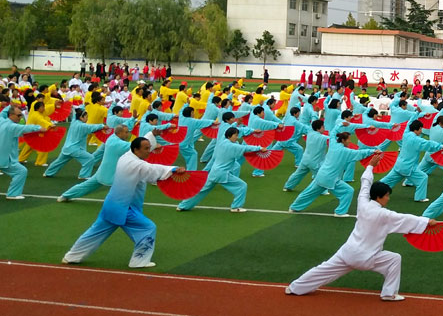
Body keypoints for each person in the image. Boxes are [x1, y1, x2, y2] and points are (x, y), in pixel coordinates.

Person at [286, 153, 437, 301]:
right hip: (367, 258)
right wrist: (426, 221)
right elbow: (405, 219)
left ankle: (295, 287)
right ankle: (388, 294)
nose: (388, 198)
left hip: (348, 252)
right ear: (379, 197)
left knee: (323, 269)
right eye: (387, 195)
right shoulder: (385, 215)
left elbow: (365, 184)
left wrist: (370, 166)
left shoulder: (363, 203)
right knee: (394, 259)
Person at [62, 137, 182, 268]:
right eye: (146, 148)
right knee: (147, 228)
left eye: (149, 148)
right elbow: (152, 169)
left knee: (95, 232)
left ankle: (72, 256)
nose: (149, 151)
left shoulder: (126, 157)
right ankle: (139, 261)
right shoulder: (136, 164)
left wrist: (153, 140)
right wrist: (174, 169)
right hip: (124, 208)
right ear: (136, 150)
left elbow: (146, 163)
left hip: (112, 204)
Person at [177, 126, 264, 213]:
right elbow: (245, 148)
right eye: (235, 135)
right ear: (229, 136)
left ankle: (183, 206)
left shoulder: (222, 143)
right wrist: (260, 148)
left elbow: (241, 148)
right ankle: (236, 207)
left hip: (213, 172)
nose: (237, 137)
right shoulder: (231, 146)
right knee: (242, 186)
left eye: (237, 135)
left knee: (201, 190)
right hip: (222, 174)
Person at [1, 106, 45, 200]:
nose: (21, 117)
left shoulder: (2, 121)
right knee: (21, 171)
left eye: (21, 115)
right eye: (18, 115)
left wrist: (10, 106)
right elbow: (26, 128)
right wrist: (39, 128)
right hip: (5, 157)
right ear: (11, 115)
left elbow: (3, 112)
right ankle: (13, 194)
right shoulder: (11, 126)